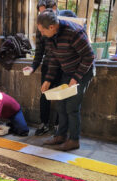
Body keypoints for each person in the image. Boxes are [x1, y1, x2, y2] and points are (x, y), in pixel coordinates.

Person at [38, 9, 94, 151]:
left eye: (42, 31)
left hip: (82, 72)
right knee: (61, 105)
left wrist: (76, 78)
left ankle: (74, 140)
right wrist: (48, 80)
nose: (41, 34)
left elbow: (89, 57)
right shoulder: (50, 37)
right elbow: (53, 59)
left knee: (72, 107)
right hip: (67, 72)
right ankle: (60, 136)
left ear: (51, 27)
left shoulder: (74, 32)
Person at [23, 0, 77, 136]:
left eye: (45, 12)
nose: (42, 15)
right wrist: (33, 67)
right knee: (44, 94)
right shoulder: (42, 25)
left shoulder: (67, 22)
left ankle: (61, 127)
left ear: (54, 8)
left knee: (63, 97)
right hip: (50, 64)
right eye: (40, 13)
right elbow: (41, 52)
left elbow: (86, 54)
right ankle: (44, 124)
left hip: (66, 66)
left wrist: (76, 75)